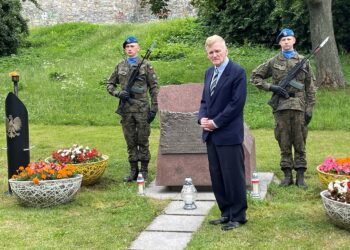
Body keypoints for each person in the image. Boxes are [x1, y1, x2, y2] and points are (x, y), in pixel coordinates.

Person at [251, 28, 316, 188]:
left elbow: (310, 87)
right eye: (283, 40)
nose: (286, 42)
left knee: (300, 140)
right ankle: (287, 175)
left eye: (289, 39)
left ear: (294, 41)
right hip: (280, 107)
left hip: (299, 107)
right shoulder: (274, 61)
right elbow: (255, 77)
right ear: (280, 42)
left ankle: (300, 175)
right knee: (284, 140)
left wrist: (309, 109)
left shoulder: (303, 61)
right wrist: (272, 87)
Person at [198, 35, 247, 231]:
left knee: (233, 176)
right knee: (217, 176)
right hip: (211, 136)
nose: (214, 55)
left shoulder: (237, 72)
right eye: (211, 52)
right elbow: (204, 101)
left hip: (228, 134)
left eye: (217, 51)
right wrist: (201, 119)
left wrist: (216, 123)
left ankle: (238, 215)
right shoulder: (209, 72)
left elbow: (236, 104)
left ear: (225, 50)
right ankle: (226, 212)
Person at [107, 35, 158, 182]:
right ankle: (133, 171)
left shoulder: (146, 65)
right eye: (127, 47)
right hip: (126, 110)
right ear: (125, 49)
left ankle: (144, 170)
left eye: (132, 46)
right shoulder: (120, 65)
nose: (130, 49)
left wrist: (154, 109)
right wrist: (117, 93)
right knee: (130, 140)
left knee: (143, 139)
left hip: (142, 109)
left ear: (138, 48)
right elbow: (109, 84)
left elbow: (154, 88)